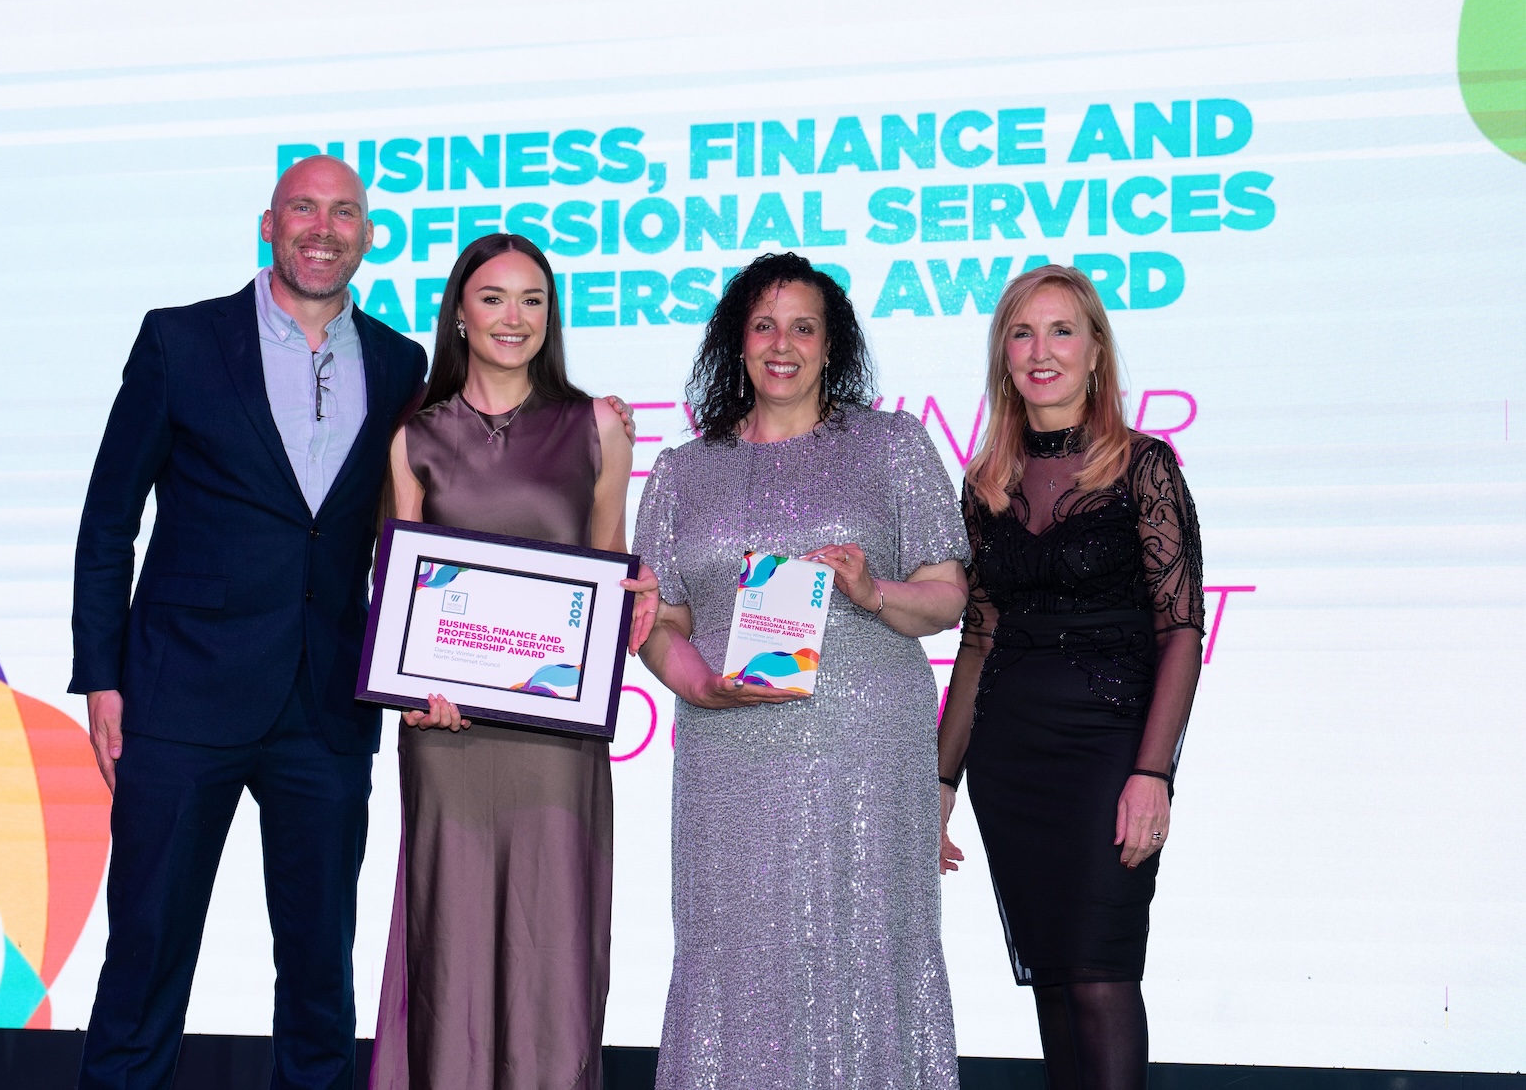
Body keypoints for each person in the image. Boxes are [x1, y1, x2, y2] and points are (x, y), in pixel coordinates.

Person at [69, 155, 428, 1089]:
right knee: (146, 961)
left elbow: (420, 520)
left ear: (368, 235)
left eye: (344, 212)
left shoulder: (400, 361)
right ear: (267, 224)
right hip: (181, 697)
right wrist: (102, 677)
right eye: (304, 208)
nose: (324, 226)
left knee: (319, 980)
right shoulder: (181, 341)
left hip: (328, 705)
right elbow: (111, 517)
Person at [633, 251, 969, 1090]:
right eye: (765, 324)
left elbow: (948, 594)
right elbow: (659, 623)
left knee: (865, 957)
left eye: (804, 326)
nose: (783, 343)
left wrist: (870, 588)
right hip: (728, 756)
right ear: (736, 341)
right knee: (732, 962)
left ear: (832, 345)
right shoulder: (683, 471)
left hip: (865, 748)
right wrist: (698, 683)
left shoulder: (891, 445)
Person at [369, 233, 635, 1090]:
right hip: (448, 738)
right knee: (450, 944)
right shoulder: (414, 437)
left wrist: (638, 600)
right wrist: (413, 695)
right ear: (457, 312)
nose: (513, 318)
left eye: (533, 300)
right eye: (493, 298)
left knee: (552, 943)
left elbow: (609, 569)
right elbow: (397, 585)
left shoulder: (597, 425)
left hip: (555, 740)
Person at [936, 264, 1205, 1090]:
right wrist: (937, 781)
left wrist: (1153, 772)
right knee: (1054, 982)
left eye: (1061, 331)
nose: (1040, 350)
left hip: (1109, 754)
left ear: (1096, 352)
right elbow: (978, 641)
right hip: (1013, 763)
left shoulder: (1144, 469)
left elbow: (1182, 632)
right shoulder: (984, 487)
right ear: (1004, 356)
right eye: (1022, 332)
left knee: (1100, 976)